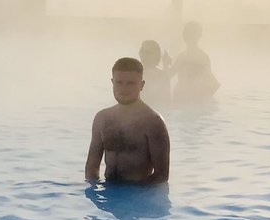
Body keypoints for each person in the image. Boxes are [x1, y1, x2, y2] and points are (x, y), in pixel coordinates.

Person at [85, 57, 170, 185]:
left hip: (139, 196)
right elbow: (92, 169)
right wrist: (95, 195)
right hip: (109, 194)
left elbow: (161, 176)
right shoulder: (102, 119)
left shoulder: (153, 123)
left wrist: (133, 198)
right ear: (112, 82)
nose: (124, 89)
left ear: (141, 85)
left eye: (130, 83)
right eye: (119, 82)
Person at [168, 20, 219, 104]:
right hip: (191, 99)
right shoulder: (202, 57)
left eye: (188, 33)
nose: (185, 35)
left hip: (185, 99)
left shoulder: (184, 57)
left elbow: (168, 76)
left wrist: (166, 63)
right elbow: (210, 82)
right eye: (185, 32)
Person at [138, 39, 171, 108]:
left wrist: (166, 65)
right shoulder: (133, 73)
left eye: (149, 53)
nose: (145, 55)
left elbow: (167, 101)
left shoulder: (162, 76)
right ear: (140, 53)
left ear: (156, 55)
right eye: (143, 52)